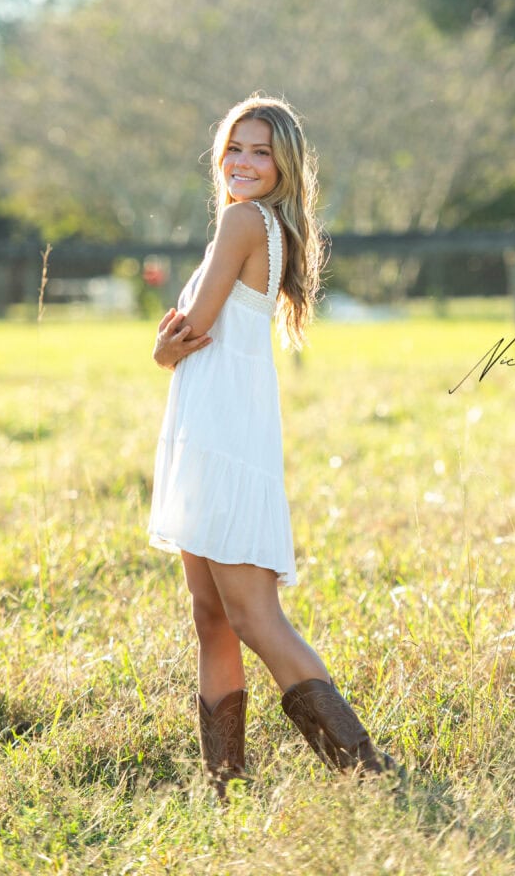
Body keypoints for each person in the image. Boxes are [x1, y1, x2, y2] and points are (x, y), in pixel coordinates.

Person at [147, 94, 399, 796]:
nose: (243, 162)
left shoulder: (241, 221)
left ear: (283, 164)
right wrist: (172, 349)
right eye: (234, 148)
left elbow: (188, 329)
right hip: (212, 427)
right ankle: (224, 782)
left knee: (254, 616)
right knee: (210, 617)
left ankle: (364, 773)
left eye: (260, 151)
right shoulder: (257, 225)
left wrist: (162, 352)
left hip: (223, 430)